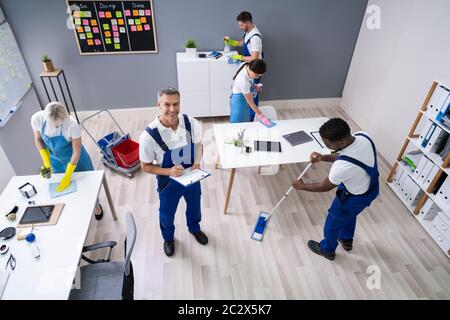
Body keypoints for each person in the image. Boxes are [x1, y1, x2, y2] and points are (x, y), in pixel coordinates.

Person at [291, 118, 379, 260]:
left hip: (353, 196)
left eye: (327, 145)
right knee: (350, 214)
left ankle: (327, 250)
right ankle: (346, 239)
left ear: (342, 142)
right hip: (369, 186)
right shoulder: (363, 136)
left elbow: (324, 186)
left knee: (333, 221)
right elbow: (343, 154)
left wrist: (301, 186)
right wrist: (322, 158)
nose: (326, 147)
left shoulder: (342, 167)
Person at [139, 87, 208, 257]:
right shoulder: (148, 136)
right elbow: (145, 166)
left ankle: (194, 228)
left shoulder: (191, 123)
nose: (172, 109)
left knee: (195, 207)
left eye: (176, 104)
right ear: (158, 105)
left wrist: (197, 163)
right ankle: (168, 238)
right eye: (167, 104)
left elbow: (199, 146)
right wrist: (168, 171)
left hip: (192, 177)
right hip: (168, 182)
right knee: (167, 214)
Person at [31, 102, 103, 220]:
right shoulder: (37, 119)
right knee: (63, 191)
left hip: (76, 160)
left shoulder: (72, 124)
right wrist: (46, 161)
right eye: (52, 125)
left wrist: (69, 173)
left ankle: (96, 206)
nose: (55, 128)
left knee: (88, 187)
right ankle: (75, 210)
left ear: (64, 118)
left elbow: (76, 151)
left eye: (58, 126)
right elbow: (38, 140)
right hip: (55, 160)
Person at [224, 11, 264, 110]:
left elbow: (254, 58)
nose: (240, 27)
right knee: (247, 93)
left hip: (254, 69)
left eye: (241, 25)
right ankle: (248, 115)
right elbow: (244, 43)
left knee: (252, 94)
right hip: (248, 68)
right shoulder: (248, 32)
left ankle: (252, 117)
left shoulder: (255, 38)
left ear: (248, 23)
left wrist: (239, 57)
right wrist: (231, 42)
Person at [230, 59, 271, 124]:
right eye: (257, 75)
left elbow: (250, 80)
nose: (257, 78)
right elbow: (251, 103)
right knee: (237, 126)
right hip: (238, 104)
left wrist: (254, 86)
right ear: (252, 70)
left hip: (244, 101)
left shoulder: (248, 65)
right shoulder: (243, 81)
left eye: (260, 76)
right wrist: (262, 117)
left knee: (246, 124)